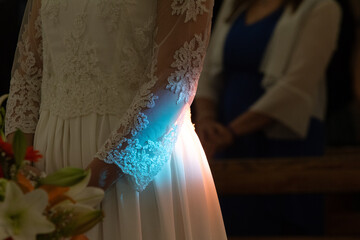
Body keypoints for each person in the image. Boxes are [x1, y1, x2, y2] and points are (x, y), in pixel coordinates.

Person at [5, 0, 227, 239]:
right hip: (48, 165)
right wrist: (20, 166)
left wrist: (91, 184)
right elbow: (27, 77)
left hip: (132, 164)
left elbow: (174, 80)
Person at [194, 0, 341, 236]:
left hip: (283, 138)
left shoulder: (321, 7)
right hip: (225, 139)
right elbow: (207, 70)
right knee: (230, 222)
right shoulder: (235, 6)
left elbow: (298, 85)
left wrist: (233, 131)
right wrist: (207, 120)